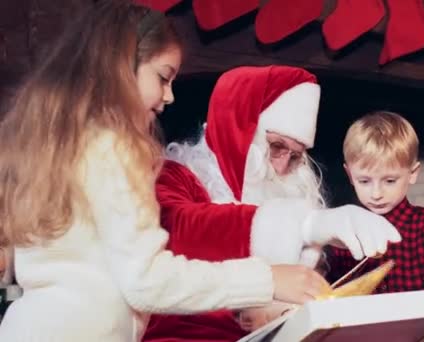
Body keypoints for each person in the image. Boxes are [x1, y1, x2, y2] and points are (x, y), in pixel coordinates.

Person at [0, 2, 330, 341]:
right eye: (163, 77)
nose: (169, 96)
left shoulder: (52, 139)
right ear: (121, 67)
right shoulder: (114, 146)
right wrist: (269, 279)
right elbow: (148, 282)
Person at [143, 65, 402, 342]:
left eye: (295, 156)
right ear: (239, 131)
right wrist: (306, 224)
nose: (282, 166)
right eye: (276, 146)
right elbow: (180, 229)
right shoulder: (174, 177)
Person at [327, 111, 424, 294]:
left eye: (389, 181)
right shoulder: (345, 231)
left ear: (412, 174)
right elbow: (333, 294)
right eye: (364, 181)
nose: (376, 193)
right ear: (350, 175)